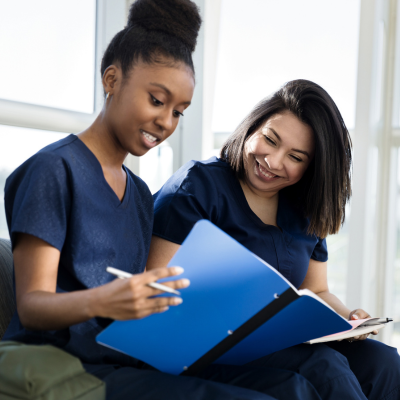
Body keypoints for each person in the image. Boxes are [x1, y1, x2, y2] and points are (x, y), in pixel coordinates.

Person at [2, 1, 323, 399]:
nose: (166, 122)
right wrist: (109, 300)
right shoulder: (53, 170)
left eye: (178, 112)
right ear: (112, 79)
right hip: (57, 362)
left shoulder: (137, 193)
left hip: (127, 359)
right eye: (157, 100)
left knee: (292, 387)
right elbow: (32, 305)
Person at [148, 79, 400, 400]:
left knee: (383, 361)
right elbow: (153, 287)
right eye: (270, 139)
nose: (273, 161)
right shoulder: (198, 186)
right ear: (252, 128)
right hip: (201, 343)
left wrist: (348, 320)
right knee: (324, 367)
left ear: (312, 167)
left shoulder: (304, 209)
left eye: (295, 157)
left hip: (277, 340)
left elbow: (316, 290)